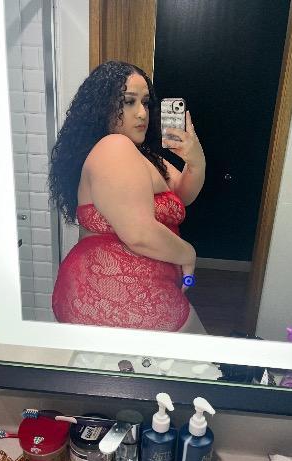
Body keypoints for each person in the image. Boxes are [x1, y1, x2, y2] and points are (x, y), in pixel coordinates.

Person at [49, 60, 206, 332]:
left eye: (145, 102)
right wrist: (188, 254)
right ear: (103, 106)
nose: (142, 113)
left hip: (137, 289)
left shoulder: (143, 156)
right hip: (110, 290)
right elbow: (140, 234)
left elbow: (183, 194)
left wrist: (196, 162)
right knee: (199, 356)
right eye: (129, 102)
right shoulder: (114, 147)